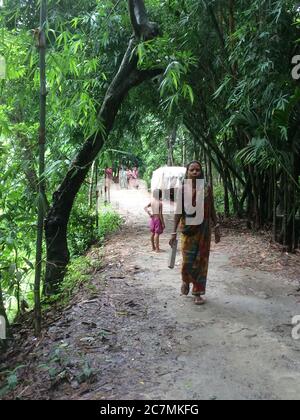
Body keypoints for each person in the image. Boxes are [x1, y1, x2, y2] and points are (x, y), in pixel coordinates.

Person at [169, 161, 221, 305]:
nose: (195, 172)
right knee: (187, 261)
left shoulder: (206, 188)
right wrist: (173, 232)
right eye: (192, 170)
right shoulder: (182, 189)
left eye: (197, 170)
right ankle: (186, 281)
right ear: (187, 172)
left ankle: (197, 292)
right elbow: (178, 211)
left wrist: (216, 226)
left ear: (201, 172)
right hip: (188, 231)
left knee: (202, 262)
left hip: (204, 230)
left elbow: (211, 208)